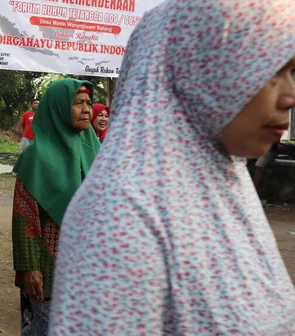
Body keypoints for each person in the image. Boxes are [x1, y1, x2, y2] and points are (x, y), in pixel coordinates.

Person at [49, 1, 295, 334]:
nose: (290, 96)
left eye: (291, 72)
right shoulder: (120, 213)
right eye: (270, 71)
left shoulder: (226, 181)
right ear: (199, 70)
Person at [12, 79, 99, 335]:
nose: (86, 109)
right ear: (59, 107)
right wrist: (29, 267)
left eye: (89, 103)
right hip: (50, 268)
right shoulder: (37, 155)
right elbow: (24, 214)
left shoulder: (96, 151)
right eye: (78, 103)